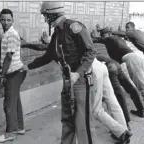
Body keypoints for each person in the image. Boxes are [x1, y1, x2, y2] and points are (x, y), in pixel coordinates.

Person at [21, 2, 97, 144]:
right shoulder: (57, 34)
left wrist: (78, 73)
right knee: (67, 119)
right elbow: (48, 56)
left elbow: (91, 51)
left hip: (80, 80)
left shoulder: (73, 27)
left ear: (51, 14)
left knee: (82, 122)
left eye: (45, 16)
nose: (44, 19)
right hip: (68, 80)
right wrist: (28, 66)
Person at [93, 27, 144, 117]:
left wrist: (93, 37)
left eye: (104, 35)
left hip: (130, 60)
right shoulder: (118, 39)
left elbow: (99, 40)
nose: (103, 37)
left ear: (108, 34)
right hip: (136, 58)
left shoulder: (109, 38)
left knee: (142, 84)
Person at [0, 9, 27, 143]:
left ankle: (10, 133)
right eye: (3, 19)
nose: (5, 22)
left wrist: (2, 75)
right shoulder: (7, 33)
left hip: (14, 73)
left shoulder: (11, 34)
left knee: (8, 104)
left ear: (12, 20)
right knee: (15, 100)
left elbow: (8, 57)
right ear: (0, 20)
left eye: (8, 20)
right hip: (16, 72)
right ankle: (19, 127)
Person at [91, 59, 132, 144]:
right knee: (112, 101)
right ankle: (123, 132)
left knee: (96, 110)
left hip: (93, 69)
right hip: (101, 66)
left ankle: (122, 132)